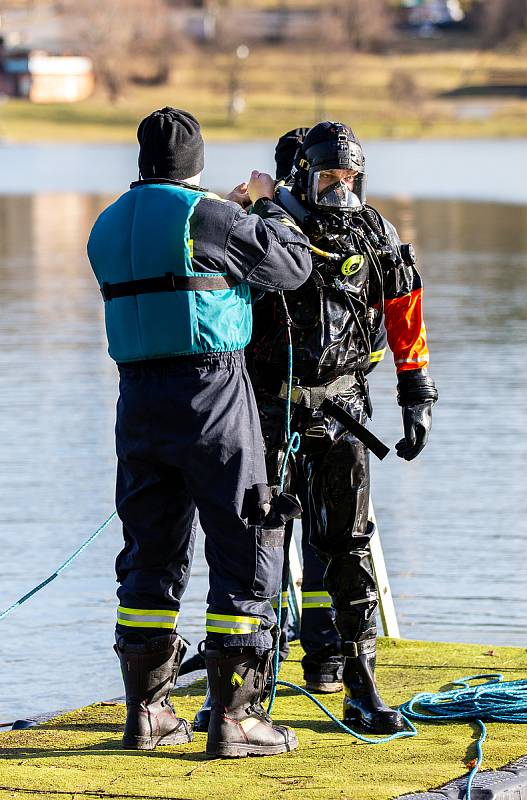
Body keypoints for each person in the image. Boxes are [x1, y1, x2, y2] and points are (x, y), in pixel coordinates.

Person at [87, 107, 313, 758]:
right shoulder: (209, 216)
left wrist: (225, 213)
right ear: (195, 163)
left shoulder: (106, 224)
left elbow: (179, 258)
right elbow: (289, 267)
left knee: (150, 554)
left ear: (142, 159)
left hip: (136, 399)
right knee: (245, 539)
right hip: (210, 391)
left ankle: (147, 715)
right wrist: (266, 207)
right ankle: (236, 721)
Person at [247, 121, 438, 735]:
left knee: (348, 543)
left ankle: (359, 682)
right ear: (304, 174)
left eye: (351, 178)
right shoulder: (268, 226)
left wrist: (417, 391)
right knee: (256, 540)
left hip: (343, 409)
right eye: (330, 178)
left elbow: (404, 305)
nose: (341, 189)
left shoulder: (375, 231)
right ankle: (243, 690)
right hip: (271, 407)